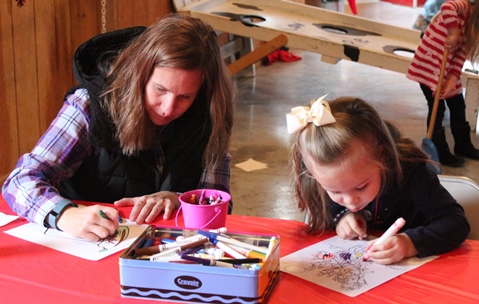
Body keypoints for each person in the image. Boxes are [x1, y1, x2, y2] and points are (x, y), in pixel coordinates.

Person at [2, 14, 235, 241]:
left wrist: (176, 199)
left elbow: (219, 203)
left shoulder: (210, 114)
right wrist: (64, 214)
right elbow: (21, 180)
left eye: (184, 97)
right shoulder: (89, 106)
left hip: (162, 251)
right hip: (88, 247)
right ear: (140, 74)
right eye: (160, 90)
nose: (167, 108)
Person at [287, 96, 470, 265]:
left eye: (361, 186)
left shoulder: (412, 172)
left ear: (382, 156)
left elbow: (456, 223)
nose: (350, 201)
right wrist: (341, 216)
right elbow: (321, 207)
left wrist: (410, 243)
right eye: (334, 191)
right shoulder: (321, 180)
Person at [407, 0, 479, 167]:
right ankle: (438, 148)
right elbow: (447, 7)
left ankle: (463, 145)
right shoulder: (465, 7)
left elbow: (461, 56)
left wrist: (452, 81)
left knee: (458, 105)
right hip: (428, 67)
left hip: (445, 72)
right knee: (437, 108)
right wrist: (453, 32)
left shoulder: (472, 29)